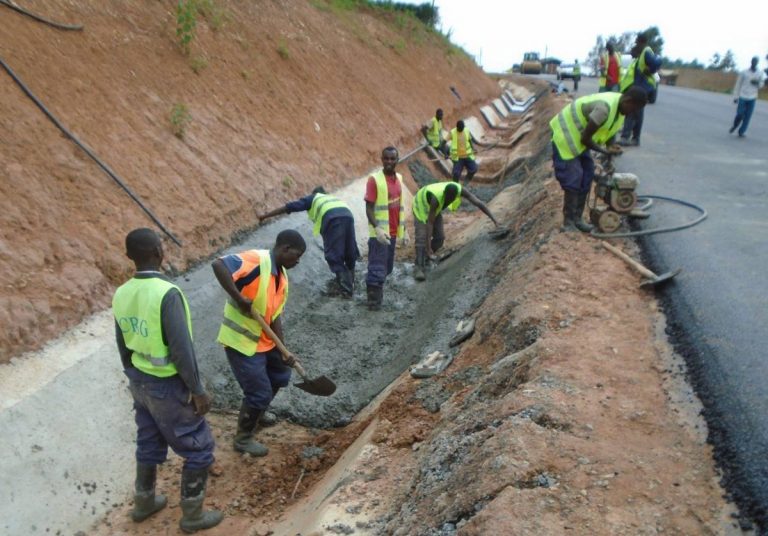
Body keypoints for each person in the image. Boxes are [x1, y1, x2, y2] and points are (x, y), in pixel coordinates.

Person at [112, 228, 222, 533]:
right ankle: (192, 515)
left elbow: (121, 341)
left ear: (129, 257)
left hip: (139, 380)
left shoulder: (122, 293)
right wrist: (197, 389)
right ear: (160, 253)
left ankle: (144, 501)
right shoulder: (167, 293)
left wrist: (132, 374)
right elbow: (181, 348)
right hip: (167, 384)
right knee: (198, 447)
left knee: (148, 439)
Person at [211, 230, 306, 457]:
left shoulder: (281, 278)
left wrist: (283, 350)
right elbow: (218, 265)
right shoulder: (257, 260)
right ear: (285, 249)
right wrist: (238, 296)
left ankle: (258, 412)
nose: (298, 260)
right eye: (297, 254)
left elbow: (275, 316)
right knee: (258, 392)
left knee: (281, 375)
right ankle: (242, 438)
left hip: (264, 340)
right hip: (242, 341)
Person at [550, 88, 649, 232]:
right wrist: (604, 151)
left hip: (579, 141)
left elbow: (608, 129)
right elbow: (585, 138)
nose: (633, 113)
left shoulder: (620, 108)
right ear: (628, 101)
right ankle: (568, 222)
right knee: (574, 177)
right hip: (567, 136)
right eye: (634, 108)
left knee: (587, 174)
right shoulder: (603, 109)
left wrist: (611, 145)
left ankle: (578, 219)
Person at [257, 187, 359, 297]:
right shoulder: (332, 199)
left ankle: (346, 292)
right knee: (350, 251)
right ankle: (352, 283)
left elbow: (289, 207)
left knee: (333, 256)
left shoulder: (314, 198)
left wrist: (264, 216)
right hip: (348, 216)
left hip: (332, 218)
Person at [411, 181, 499, 281]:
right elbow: (430, 223)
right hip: (421, 204)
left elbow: (478, 203)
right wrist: (427, 245)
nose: (449, 200)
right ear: (444, 194)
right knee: (422, 236)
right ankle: (418, 267)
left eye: (452, 199)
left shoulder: (459, 189)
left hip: (434, 208)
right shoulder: (436, 199)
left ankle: (426, 258)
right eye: (448, 198)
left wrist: (494, 220)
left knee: (440, 238)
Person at [364, 146, 409, 310]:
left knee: (387, 267)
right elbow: (369, 207)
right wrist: (377, 228)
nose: (389, 162)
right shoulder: (374, 180)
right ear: (382, 159)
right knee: (377, 268)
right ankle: (373, 303)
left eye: (392, 159)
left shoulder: (399, 179)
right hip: (380, 235)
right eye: (386, 158)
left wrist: (404, 231)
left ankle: (376, 294)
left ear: (397, 160)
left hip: (392, 233)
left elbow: (399, 206)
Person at [618, 33, 662, 146]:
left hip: (643, 88)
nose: (636, 44)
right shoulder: (640, 56)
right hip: (639, 88)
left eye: (637, 42)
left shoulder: (646, 52)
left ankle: (626, 137)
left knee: (632, 112)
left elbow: (657, 62)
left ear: (641, 42)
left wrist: (651, 70)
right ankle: (635, 138)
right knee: (637, 113)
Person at [729, 56, 766, 138]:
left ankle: (741, 131)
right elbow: (738, 84)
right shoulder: (744, 72)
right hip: (743, 95)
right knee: (740, 114)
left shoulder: (760, 73)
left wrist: (757, 83)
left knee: (748, 116)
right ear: (751, 62)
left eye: (756, 62)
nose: (754, 63)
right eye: (753, 61)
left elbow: (761, 84)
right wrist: (735, 97)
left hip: (752, 96)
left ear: (757, 63)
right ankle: (735, 125)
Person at [446, 120, 486, 186]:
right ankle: (455, 186)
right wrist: (445, 154)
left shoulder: (466, 130)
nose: (462, 129)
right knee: (456, 174)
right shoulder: (452, 132)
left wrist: (473, 148)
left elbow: (469, 140)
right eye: (460, 128)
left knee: (474, 169)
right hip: (457, 158)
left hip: (467, 156)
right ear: (457, 127)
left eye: (463, 128)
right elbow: (443, 143)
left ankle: (464, 185)